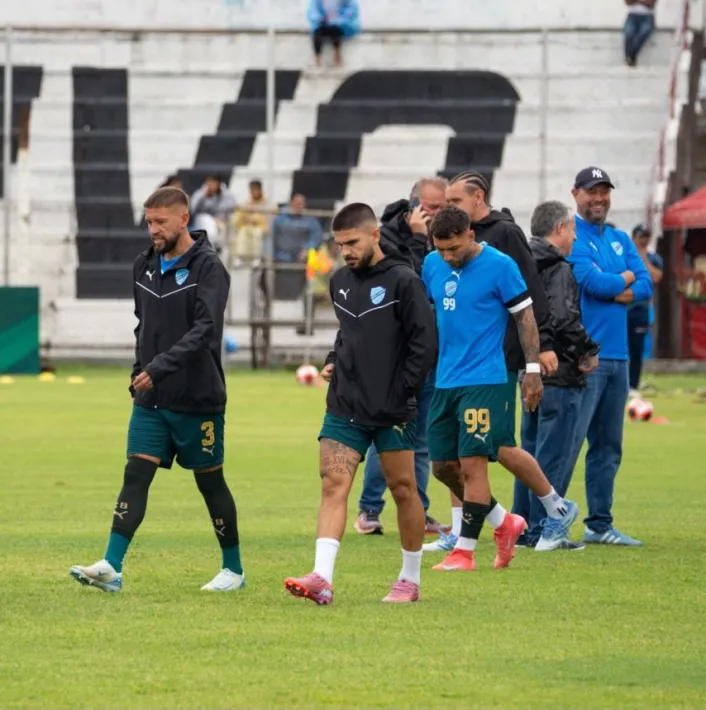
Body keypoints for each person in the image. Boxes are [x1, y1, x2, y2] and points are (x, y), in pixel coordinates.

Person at [70, 187, 242, 593]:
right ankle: (112, 566)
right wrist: (138, 373)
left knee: (210, 482)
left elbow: (206, 330)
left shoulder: (209, 267)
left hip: (197, 398)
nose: (153, 230)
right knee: (136, 473)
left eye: (160, 222)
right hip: (151, 398)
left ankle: (233, 569)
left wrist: (158, 367)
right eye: (149, 222)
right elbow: (142, 326)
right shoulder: (142, 266)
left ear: (184, 219)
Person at [283, 203, 437, 605]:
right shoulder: (339, 282)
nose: (346, 251)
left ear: (375, 236)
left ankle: (409, 579)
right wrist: (335, 360)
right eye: (339, 244)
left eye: (352, 242)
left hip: (392, 409)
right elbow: (348, 334)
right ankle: (322, 577)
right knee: (333, 484)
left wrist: (402, 389)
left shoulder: (405, 281)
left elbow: (425, 345)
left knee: (405, 490)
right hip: (345, 405)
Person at [421, 206, 579, 571]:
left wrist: (533, 369)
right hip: (446, 378)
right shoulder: (431, 265)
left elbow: (525, 318)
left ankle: (464, 552)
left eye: (454, 248)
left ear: (471, 235)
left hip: (487, 378)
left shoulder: (501, 265)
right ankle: (504, 522)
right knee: (443, 467)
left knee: (475, 464)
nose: (448, 256)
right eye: (441, 249)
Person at [354, 177, 450, 536]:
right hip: (396, 356)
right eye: (434, 208)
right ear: (415, 206)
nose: (441, 215)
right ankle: (369, 509)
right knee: (389, 433)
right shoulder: (388, 240)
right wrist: (417, 239)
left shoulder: (448, 239)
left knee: (421, 440)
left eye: (444, 208)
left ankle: (420, 512)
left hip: (431, 353)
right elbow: (410, 284)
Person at [567, 166, 653, 546]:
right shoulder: (572, 236)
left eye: (604, 191)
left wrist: (619, 285)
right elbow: (592, 283)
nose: (599, 198)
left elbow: (646, 283)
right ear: (576, 194)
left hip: (618, 357)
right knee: (569, 442)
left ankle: (599, 524)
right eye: (591, 192)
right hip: (587, 356)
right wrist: (624, 280)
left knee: (608, 446)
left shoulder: (619, 237)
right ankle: (547, 520)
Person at [512, 201, 600, 550]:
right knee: (554, 454)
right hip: (559, 374)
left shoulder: (521, 264)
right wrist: (588, 348)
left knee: (528, 454)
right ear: (561, 228)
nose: (576, 238)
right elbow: (564, 320)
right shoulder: (559, 268)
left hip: (528, 370)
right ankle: (547, 528)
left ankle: (523, 527)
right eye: (573, 230)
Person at [627, 224, 663, 396]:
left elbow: (656, 277)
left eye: (646, 238)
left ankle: (633, 384)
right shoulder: (624, 256)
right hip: (622, 307)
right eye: (640, 238)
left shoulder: (653, 258)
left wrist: (643, 258)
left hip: (640, 308)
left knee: (636, 349)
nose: (643, 241)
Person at [307, 0, 361, 67]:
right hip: (322, 24)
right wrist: (322, 20)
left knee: (335, 30)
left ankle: (337, 55)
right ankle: (317, 59)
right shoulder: (316, 2)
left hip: (341, 26)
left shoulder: (348, 2)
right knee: (317, 33)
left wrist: (335, 20)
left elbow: (351, 13)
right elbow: (312, 12)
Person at [623, 0, 656, 67]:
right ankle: (629, 56)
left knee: (644, 32)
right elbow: (628, 2)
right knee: (628, 33)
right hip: (632, 15)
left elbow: (651, 4)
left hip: (647, 16)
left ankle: (631, 56)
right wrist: (643, 1)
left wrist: (635, 1)